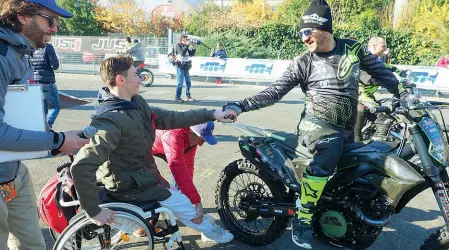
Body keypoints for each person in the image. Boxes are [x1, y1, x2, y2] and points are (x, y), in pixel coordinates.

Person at [222, 0, 399, 248]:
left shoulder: (354, 49)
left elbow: (382, 72)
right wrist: (240, 105)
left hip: (346, 129)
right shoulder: (303, 62)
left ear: (324, 28)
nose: (303, 38)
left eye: (307, 32)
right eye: (301, 33)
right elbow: (275, 92)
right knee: (330, 143)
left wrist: (403, 93)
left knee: (364, 164)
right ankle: (303, 217)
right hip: (315, 125)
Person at [70, 55, 236, 244]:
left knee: (175, 195)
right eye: (136, 74)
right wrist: (94, 211)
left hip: (145, 177)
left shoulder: (135, 103)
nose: (140, 79)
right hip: (132, 187)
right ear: (120, 79)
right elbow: (82, 166)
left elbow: (172, 117)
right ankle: (214, 234)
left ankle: (145, 226)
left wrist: (213, 114)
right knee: (184, 204)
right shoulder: (109, 121)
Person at [0, 1, 89, 249]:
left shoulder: (20, 52)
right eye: (50, 20)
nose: (55, 29)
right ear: (23, 16)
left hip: (14, 174)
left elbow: (19, 113)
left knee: (35, 244)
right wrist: (58, 141)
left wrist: (52, 140)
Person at [152, 121, 218, 224]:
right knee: (152, 184)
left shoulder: (191, 138)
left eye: (204, 141)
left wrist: (188, 197)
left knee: (181, 182)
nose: (200, 144)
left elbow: (187, 168)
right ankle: (144, 224)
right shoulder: (174, 135)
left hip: (165, 145)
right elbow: (177, 168)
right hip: (143, 148)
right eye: (201, 140)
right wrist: (197, 202)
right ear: (191, 133)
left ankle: (178, 209)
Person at [354, 36, 405, 141]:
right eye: (383, 46)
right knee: (382, 120)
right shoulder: (362, 59)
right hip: (359, 96)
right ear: (374, 46)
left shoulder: (376, 59)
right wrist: (386, 81)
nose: (386, 49)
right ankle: (359, 142)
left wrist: (401, 74)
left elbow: (385, 67)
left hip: (368, 96)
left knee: (390, 111)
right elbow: (368, 78)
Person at [30, 37, 60, 128]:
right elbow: (55, 65)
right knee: (55, 106)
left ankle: (41, 125)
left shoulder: (31, 47)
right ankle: (47, 125)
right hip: (47, 81)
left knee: (41, 107)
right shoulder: (48, 47)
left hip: (34, 81)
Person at [174, 35, 196, 103]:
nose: (187, 39)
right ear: (182, 39)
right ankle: (177, 97)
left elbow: (191, 54)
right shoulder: (178, 45)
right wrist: (186, 46)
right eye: (186, 38)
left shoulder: (186, 46)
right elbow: (182, 53)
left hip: (186, 66)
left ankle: (188, 96)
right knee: (180, 82)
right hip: (180, 65)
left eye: (187, 38)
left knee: (188, 82)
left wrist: (194, 47)